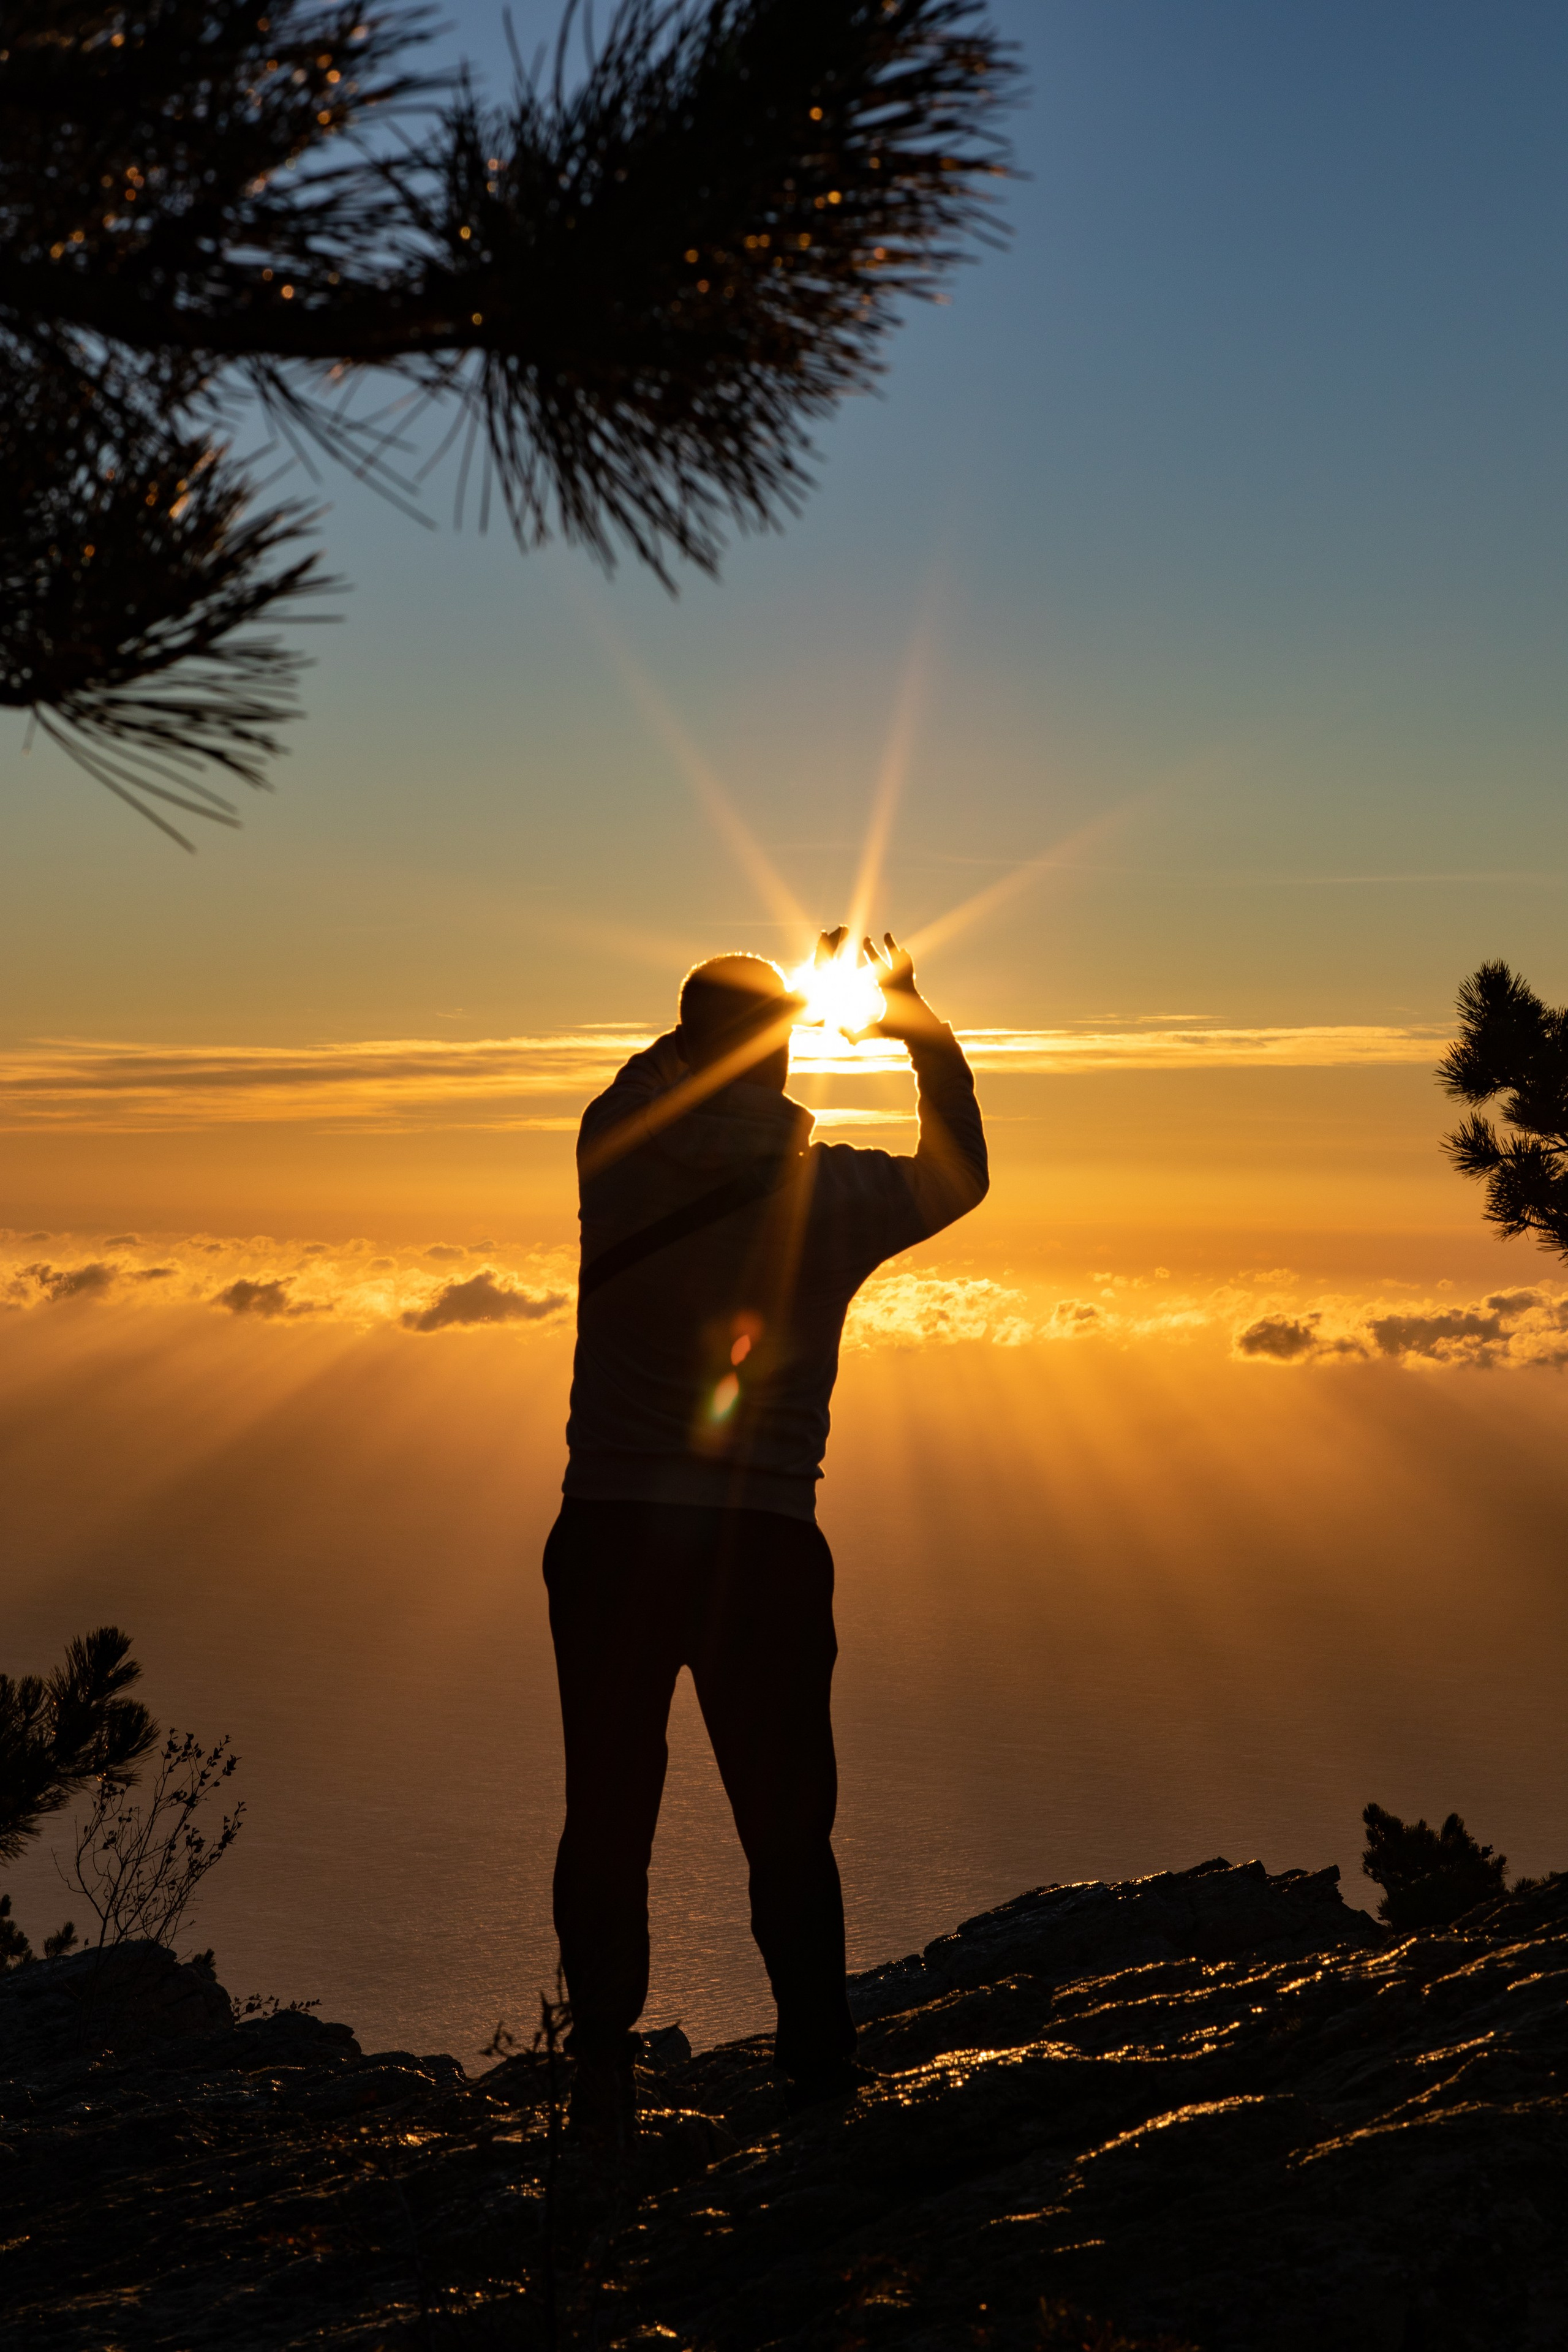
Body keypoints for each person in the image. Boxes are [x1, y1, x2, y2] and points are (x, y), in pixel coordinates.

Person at [545, 929, 989, 2146]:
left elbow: (658, 1071)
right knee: (788, 1825)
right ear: (785, 1055)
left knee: (607, 1812)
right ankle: (816, 2069)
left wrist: (731, 1028)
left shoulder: (613, 1149)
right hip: (763, 1543)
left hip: (611, 1533)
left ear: (686, 1048)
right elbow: (959, 1175)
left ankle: (599, 2075)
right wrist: (911, 1025)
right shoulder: (831, 1201)